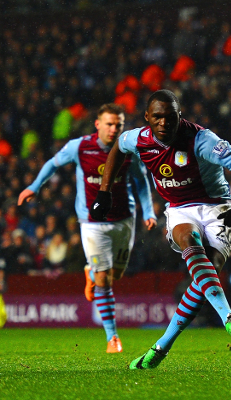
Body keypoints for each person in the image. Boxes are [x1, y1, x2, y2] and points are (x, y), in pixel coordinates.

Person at [91, 89, 231, 369]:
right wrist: (104, 191)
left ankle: (160, 348)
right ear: (147, 117)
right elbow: (116, 150)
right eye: (157, 117)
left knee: (204, 277)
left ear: (178, 116)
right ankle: (229, 319)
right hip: (180, 209)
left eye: (169, 117)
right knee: (188, 240)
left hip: (217, 208)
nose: (163, 123)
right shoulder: (138, 139)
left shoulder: (203, 141)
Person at [18, 103, 157, 353]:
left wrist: (148, 211)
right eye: (109, 124)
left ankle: (90, 274)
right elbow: (52, 163)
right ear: (97, 124)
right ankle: (112, 338)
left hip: (124, 218)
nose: (114, 129)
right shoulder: (80, 146)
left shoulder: (128, 149)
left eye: (118, 125)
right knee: (105, 280)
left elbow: (141, 179)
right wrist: (35, 186)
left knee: (116, 275)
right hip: (92, 222)